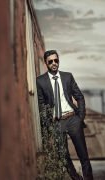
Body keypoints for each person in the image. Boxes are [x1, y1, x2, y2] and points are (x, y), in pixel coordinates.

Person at [36, 50, 93, 180]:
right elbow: (41, 105)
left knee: (83, 155)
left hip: (73, 119)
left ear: (58, 61)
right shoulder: (40, 81)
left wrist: (80, 117)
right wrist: (49, 124)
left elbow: (79, 97)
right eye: (50, 61)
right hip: (57, 122)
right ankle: (76, 178)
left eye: (56, 60)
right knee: (64, 156)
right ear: (46, 63)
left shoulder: (68, 77)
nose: (54, 63)